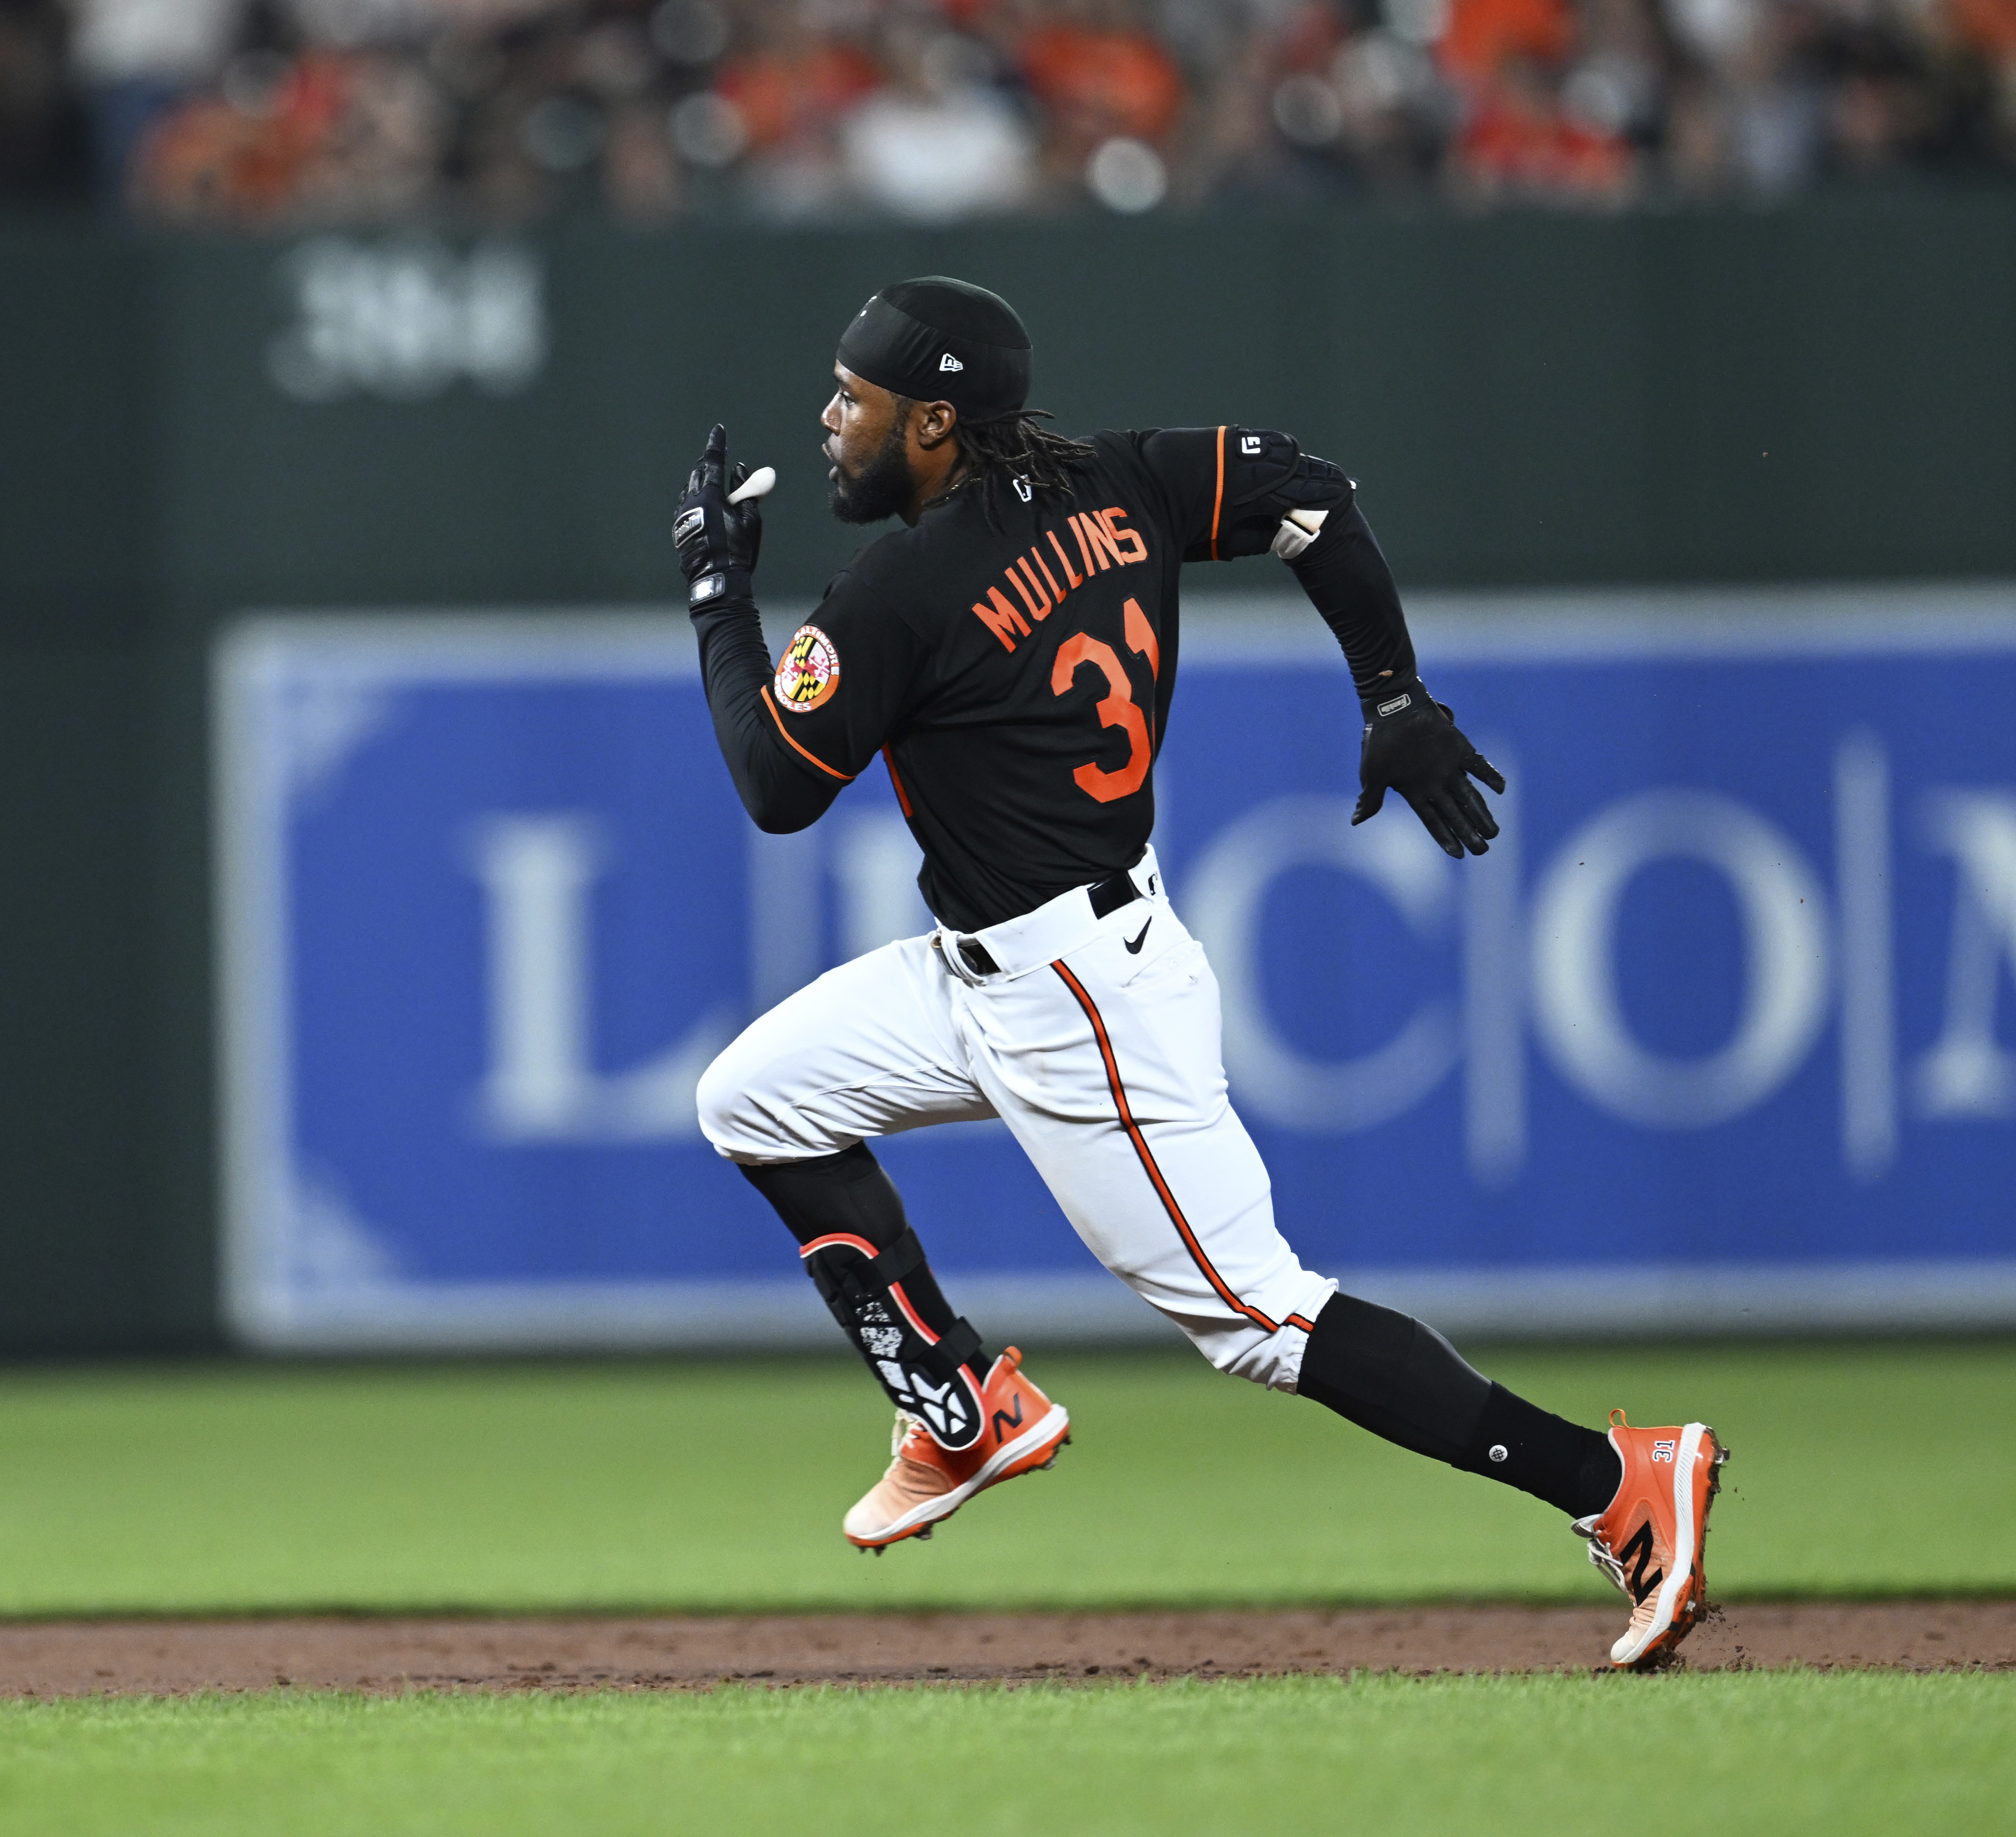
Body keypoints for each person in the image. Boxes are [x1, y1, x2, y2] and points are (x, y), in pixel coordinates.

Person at [671, 275, 1726, 1671]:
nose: (828, 421)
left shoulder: (901, 590)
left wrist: (714, 595)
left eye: (852, 399)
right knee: (753, 1099)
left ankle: (1613, 1482)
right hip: (993, 965)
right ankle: (957, 1401)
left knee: (1261, 1317)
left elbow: (772, 784)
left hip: (1076, 1005)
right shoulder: (1129, 478)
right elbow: (1316, 499)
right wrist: (1391, 689)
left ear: (933, 422)